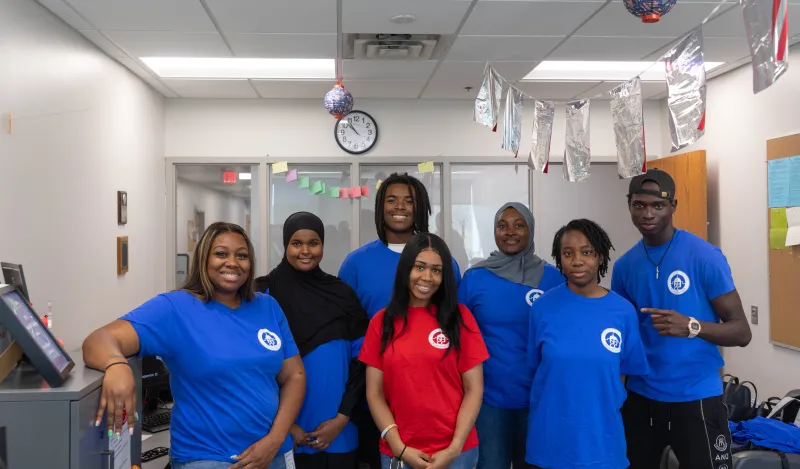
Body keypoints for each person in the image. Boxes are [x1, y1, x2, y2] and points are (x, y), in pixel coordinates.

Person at [82, 222, 306, 469]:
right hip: (209, 458)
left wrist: (274, 440)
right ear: (203, 259)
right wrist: (117, 366)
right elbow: (98, 340)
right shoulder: (175, 308)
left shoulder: (267, 307)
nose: (232, 262)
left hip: (273, 454)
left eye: (241, 255)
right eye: (221, 254)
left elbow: (294, 376)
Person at [611, 169, 752, 469]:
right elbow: (624, 338)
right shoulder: (624, 267)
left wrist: (692, 326)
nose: (647, 213)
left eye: (657, 205)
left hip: (696, 397)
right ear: (629, 205)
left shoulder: (704, 257)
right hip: (641, 398)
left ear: (672, 206)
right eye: (639, 205)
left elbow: (741, 332)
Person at [339, 172, 461, 469]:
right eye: (391, 200)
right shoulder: (355, 263)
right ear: (380, 207)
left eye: (409, 201)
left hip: (432, 399)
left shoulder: (444, 263)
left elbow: (454, 325)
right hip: (373, 392)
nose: (400, 207)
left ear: (420, 208)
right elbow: (345, 327)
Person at [526, 219, 649, 469]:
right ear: (560, 260)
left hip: (602, 443)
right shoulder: (542, 308)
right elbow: (537, 368)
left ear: (601, 257)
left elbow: (624, 373)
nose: (577, 260)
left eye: (587, 252)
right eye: (568, 253)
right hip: (550, 443)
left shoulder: (623, 312)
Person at [358, 233, 488, 469]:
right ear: (406, 269)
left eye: (436, 270)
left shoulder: (460, 318)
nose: (427, 277)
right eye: (419, 267)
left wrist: (454, 448)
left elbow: (474, 388)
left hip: (456, 454)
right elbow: (374, 394)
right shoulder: (381, 322)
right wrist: (399, 447)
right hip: (399, 452)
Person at [255, 212, 369, 469]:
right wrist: (288, 425)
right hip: (279, 430)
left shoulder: (342, 294)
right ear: (286, 245)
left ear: (322, 246)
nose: (305, 250)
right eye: (296, 243)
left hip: (339, 431)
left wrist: (342, 419)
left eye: (313, 243)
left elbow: (363, 361)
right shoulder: (263, 294)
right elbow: (254, 367)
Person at [457, 202, 563, 469]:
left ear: (531, 230)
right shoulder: (474, 279)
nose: (510, 232)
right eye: (502, 226)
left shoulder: (553, 279)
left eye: (519, 225)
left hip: (540, 398)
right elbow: (458, 338)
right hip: (489, 399)